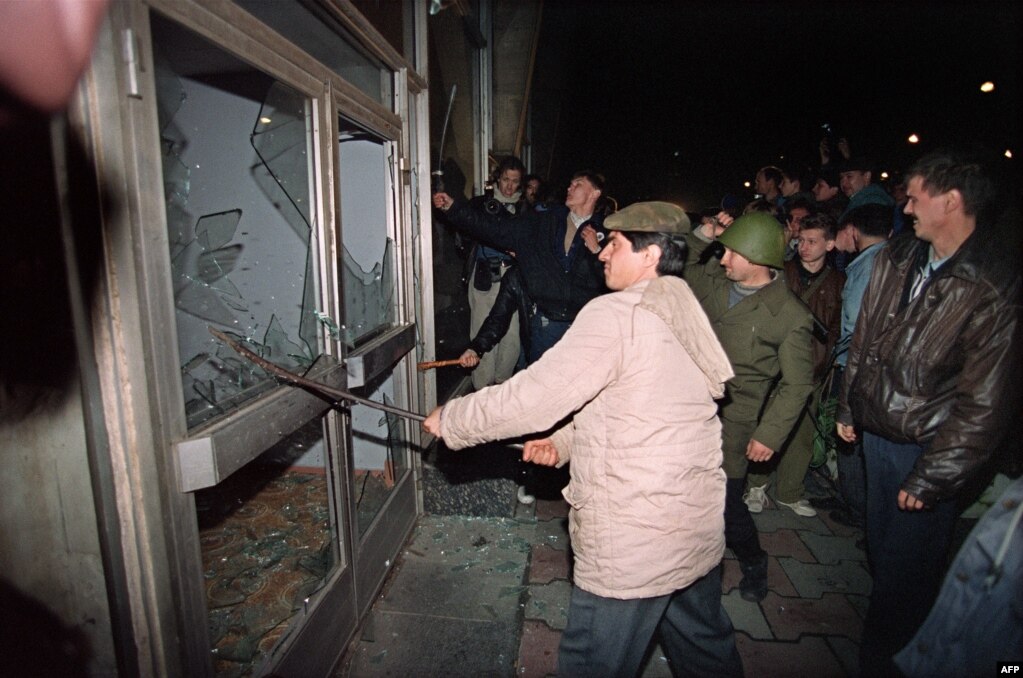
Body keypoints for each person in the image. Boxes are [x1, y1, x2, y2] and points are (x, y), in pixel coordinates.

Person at [423, 201, 742, 677]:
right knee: (704, 650)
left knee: (592, 663)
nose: (601, 254)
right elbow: (638, 399)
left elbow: (536, 395)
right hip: (689, 522)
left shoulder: (616, 315)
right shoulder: (680, 307)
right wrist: (565, 441)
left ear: (651, 254)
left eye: (614, 243)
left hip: (634, 534)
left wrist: (457, 417)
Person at [836, 149, 1020, 676]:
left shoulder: (994, 283)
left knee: (905, 577)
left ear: (952, 201)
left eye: (915, 197)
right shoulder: (899, 256)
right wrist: (851, 406)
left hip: (925, 452)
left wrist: (932, 477)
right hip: (876, 433)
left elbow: (985, 402)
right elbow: (865, 337)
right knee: (880, 555)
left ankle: (891, 663)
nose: (906, 206)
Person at [684, 211, 814, 602]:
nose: (722, 259)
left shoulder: (790, 316)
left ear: (757, 259)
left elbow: (797, 385)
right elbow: (688, 262)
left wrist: (768, 435)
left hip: (735, 421)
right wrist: (704, 233)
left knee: (726, 504)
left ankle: (754, 560)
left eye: (731, 253)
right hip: (687, 407)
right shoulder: (713, 282)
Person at [433, 170, 608, 363]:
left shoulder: (607, 235)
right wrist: (454, 208)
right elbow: (495, 229)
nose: (570, 187)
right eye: (570, 183)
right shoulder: (544, 221)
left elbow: (611, 282)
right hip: (546, 327)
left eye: (578, 184)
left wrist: (596, 251)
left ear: (594, 193)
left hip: (585, 330)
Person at [746, 212, 844, 518]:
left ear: (830, 244)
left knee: (801, 435)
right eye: (801, 240)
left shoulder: (840, 282)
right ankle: (756, 487)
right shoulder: (781, 273)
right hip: (773, 366)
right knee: (767, 425)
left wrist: (828, 365)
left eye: (813, 241)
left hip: (811, 371)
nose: (804, 247)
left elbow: (839, 329)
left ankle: (790, 491)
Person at [823, 203, 891, 529]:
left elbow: (854, 324)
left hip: (855, 365)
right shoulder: (894, 260)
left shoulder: (865, 269)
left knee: (848, 437)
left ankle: (856, 508)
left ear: (853, 230)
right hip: (879, 369)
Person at [463, 156, 527, 390]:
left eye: (515, 181)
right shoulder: (481, 204)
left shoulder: (524, 208)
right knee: (482, 330)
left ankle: (503, 385)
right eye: (505, 180)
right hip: (485, 278)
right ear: (497, 179)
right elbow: (463, 233)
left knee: (511, 335)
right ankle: (481, 388)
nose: (509, 186)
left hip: (513, 277)